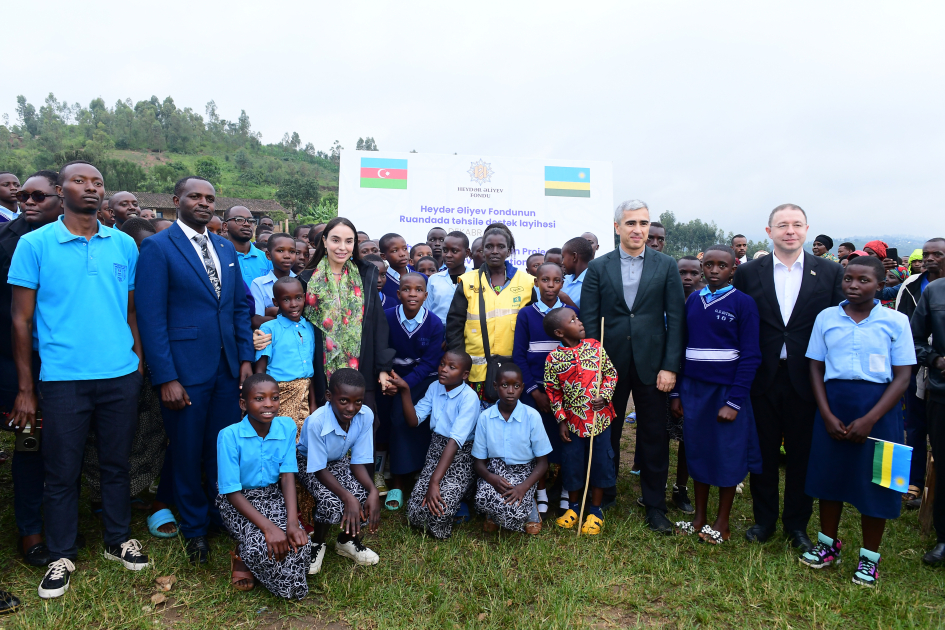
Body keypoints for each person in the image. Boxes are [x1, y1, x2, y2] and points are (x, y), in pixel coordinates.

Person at [9, 161, 148, 599]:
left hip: (119, 376)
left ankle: (117, 539)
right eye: (79, 181)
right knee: (61, 471)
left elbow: (130, 310)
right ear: (59, 189)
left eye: (98, 183)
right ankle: (61, 554)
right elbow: (20, 320)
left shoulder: (124, 244)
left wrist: (138, 362)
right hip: (63, 378)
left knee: (115, 463)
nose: (90, 188)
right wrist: (27, 388)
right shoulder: (34, 244)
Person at [136, 176, 255, 565]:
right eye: (195, 197)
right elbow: (151, 318)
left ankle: (220, 515)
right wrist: (165, 376)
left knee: (219, 449)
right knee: (186, 451)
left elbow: (237, 307)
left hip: (226, 369)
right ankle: (194, 528)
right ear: (176, 201)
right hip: (184, 372)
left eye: (210, 198)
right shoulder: (157, 246)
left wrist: (244, 360)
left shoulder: (224, 246)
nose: (204, 203)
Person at [732, 203, 844, 551]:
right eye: (782, 225)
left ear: (807, 230)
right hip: (762, 375)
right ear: (769, 232)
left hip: (807, 377)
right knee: (763, 452)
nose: (790, 231)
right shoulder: (750, 272)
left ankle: (797, 525)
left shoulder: (828, 273)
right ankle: (764, 520)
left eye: (797, 225)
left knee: (801, 454)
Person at [797, 255, 914, 586]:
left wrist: (870, 419)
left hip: (881, 412)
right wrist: (826, 413)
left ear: (880, 284)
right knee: (828, 478)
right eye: (849, 278)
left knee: (878, 483)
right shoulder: (826, 318)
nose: (854, 285)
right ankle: (827, 545)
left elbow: (903, 376)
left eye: (864, 280)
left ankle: (869, 558)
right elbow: (815, 367)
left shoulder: (895, 322)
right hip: (835, 407)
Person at [581, 199, 684, 534]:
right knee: (606, 432)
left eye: (643, 223)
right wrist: (592, 367)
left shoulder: (666, 266)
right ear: (617, 227)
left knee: (654, 435)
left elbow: (677, 319)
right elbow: (589, 318)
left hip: (653, 366)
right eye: (630, 223)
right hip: (607, 366)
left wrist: (670, 367)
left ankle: (654, 505)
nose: (638, 230)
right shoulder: (599, 268)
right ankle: (604, 493)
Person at [82, 217, 172, 541]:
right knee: (100, 438)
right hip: (113, 364)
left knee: (146, 430)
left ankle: (134, 488)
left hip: (148, 365)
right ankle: (99, 495)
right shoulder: (110, 270)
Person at [670, 245, 762, 544]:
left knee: (726, 454)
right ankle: (699, 517)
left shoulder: (743, 303)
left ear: (733, 269)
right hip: (694, 390)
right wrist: (677, 393)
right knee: (698, 450)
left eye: (721, 265)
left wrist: (734, 400)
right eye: (708, 265)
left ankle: (722, 523)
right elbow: (682, 348)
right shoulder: (694, 300)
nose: (713, 270)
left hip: (726, 392)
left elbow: (750, 355)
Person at [0, 171, 62, 568]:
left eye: (38, 195)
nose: (27, 202)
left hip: (68, 359)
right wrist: (22, 383)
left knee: (64, 442)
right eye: (23, 195)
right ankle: (30, 530)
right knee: (29, 442)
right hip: (18, 361)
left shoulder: (90, 238)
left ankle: (62, 521)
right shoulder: (9, 241)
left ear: (60, 196)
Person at [216, 374, 311, 598]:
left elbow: (287, 476)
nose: (269, 404)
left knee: (299, 543)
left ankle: (273, 566)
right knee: (262, 545)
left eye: (274, 398)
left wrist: (291, 523)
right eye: (259, 398)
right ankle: (242, 556)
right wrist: (269, 528)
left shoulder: (286, 427)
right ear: (243, 404)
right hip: (238, 500)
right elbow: (231, 492)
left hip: (270, 496)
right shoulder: (229, 436)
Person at [296, 369, 381, 572]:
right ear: (329, 396)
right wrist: (347, 497)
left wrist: (373, 490)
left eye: (358, 401)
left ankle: (346, 541)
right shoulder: (316, 422)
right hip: (310, 463)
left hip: (337, 460)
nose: (351, 408)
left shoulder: (365, 415)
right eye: (343, 401)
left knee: (362, 493)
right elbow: (318, 469)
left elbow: (358, 462)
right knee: (330, 500)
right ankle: (317, 543)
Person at [543, 308, 618, 536]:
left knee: (600, 462)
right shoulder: (553, 359)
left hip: (599, 419)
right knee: (572, 463)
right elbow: (552, 391)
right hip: (573, 423)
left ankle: (595, 510)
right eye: (573, 320)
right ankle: (573, 508)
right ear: (559, 332)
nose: (580, 322)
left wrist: (604, 396)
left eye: (577, 318)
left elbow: (611, 373)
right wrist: (561, 420)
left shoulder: (595, 346)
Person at [390, 350, 480, 539]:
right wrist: (405, 390)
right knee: (415, 513)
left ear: (464, 375)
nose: (443, 370)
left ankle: (461, 497)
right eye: (442, 364)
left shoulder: (469, 398)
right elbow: (414, 421)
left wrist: (434, 482)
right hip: (436, 451)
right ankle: (454, 499)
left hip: (459, 456)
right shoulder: (434, 387)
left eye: (451, 367)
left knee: (439, 514)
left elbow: (455, 443)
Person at [513, 262, 575, 516]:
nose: (550, 286)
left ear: (562, 283)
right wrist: (534, 392)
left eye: (556, 280)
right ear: (536, 282)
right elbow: (519, 356)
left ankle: (564, 488)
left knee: (567, 441)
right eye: (545, 280)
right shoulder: (526, 314)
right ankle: (539, 490)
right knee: (536, 442)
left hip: (567, 392)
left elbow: (577, 352)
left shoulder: (571, 313)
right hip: (536, 391)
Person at [446, 224, 533, 401]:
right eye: (489, 247)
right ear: (482, 250)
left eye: (500, 247)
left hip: (513, 371)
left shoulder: (528, 282)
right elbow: (455, 325)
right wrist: (460, 364)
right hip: (474, 373)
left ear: (509, 251)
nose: (494, 251)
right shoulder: (468, 281)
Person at [380, 272, 443, 511]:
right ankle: (397, 477)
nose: (412, 294)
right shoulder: (387, 317)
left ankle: (417, 471)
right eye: (407, 289)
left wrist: (406, 383)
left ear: (426, 295)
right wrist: (389, 379)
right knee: (396, 421)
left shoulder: (434, 323)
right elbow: (382, 350)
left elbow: (430, 362)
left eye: (418, 290)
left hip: (422, 380)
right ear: (398, 293)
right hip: (391, 379)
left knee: (420, 423)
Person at [895, 238, 945, 509]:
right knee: (914, 423)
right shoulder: (911, 285)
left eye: (937, 253)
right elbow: (905, 326)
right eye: (926, 254)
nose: (930, 258)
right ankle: (913, 480)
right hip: (917, 363)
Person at [473, 363, 550, 535]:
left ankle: (529, 508)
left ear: (522, 388)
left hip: (524, 474)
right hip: (495, 472)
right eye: (504, 385)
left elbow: (543, 463)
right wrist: (491, 478)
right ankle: (500, 512)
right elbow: (478, 463)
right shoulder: (485, 418)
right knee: (480, 500)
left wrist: (523, 487)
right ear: (495, 386)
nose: (510, 391)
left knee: (514, 514)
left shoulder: (532, 416)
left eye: (516, 386)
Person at [911, 270, 945, 566]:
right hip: (942, 391)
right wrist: (935, 359)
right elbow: (916, 337)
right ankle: (943, 538)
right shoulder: (935, 292)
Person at [250, 233, 298, 322]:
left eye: (292, 252)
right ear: (268, 255)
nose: (287, 256)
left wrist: (273, 311)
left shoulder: (301, 281)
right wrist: (289, 313)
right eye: (280, 251)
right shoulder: (259, 284)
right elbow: (256, 320)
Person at [426, 231, 470, 324]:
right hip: (439, 332)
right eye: (445, 250)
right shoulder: (434, 279)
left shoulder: (476, 278)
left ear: (466, 253)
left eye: (454, 251)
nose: (448, 255)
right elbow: (427, 311)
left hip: (467, 331)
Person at [224, 206, 271, 285]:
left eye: (250, 221)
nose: (247, 224)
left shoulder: (267, 258)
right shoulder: (219, 257)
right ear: (225, 226)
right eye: (239, 220)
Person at [561, 236, 593, 308]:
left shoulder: (592, 282)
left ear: (574, 257)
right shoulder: (565, 279)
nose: (562, 262)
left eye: (563, 257)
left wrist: (564, 297)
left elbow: (588, 315)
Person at [379, 232, 410, 306]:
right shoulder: (382, 280)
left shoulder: (420, 277)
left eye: (405, 249)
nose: (402, 254)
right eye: (395, 251)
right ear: (383, 256)